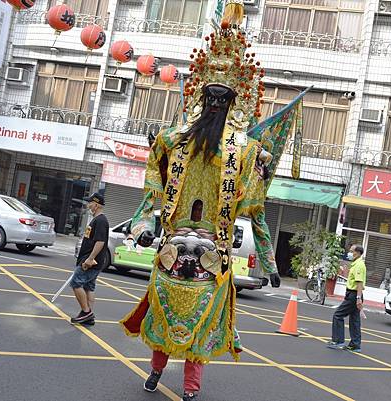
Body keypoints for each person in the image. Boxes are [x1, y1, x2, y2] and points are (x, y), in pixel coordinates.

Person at [119, 2, 291, 399]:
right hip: (172, 251)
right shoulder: (170, 140)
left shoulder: (245, 152)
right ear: (199, 94)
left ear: (235, 102)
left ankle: (192, 386)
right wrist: (145, 226)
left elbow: (256, 210)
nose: (214, 104)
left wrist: (269, 260)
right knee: (165, 320)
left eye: (222, 98)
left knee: (202, 325)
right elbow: (152, 190)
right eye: (210, 97)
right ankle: (156, 371)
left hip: (213, 258)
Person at [69, 192, 109, 326]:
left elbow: (100, 242)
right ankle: (89, 315)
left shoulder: (101, 220)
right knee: (89, 287)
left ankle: (86, 312)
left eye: (90, 202)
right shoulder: (97, 219)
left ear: (96, 205)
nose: (88, 205)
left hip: (91, 261)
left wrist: (90, 259)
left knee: (76, 283)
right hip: (90, 260)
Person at [327, 244, 366, 352]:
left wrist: (358, 298)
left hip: (353, 295)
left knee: (338, 315)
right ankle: (355, 345)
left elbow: (359, 283)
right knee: (354, 320)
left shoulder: (358, 265)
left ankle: (338, 340)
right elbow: (354, 280)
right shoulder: (356, 264)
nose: (349, 253)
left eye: (351, 251)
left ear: (357, 253)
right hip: (353, 294)